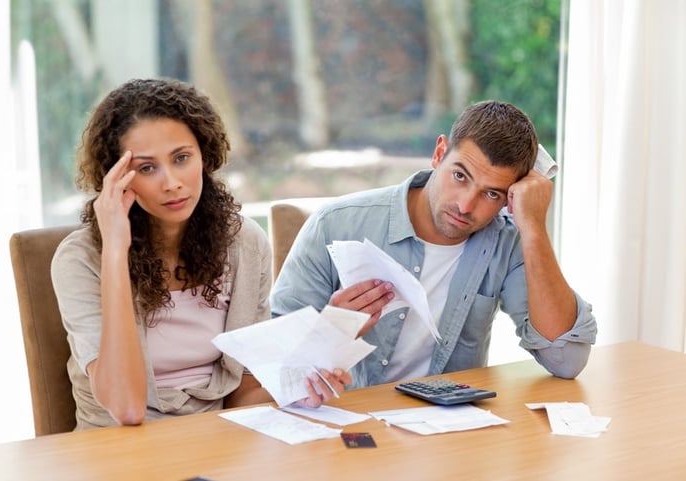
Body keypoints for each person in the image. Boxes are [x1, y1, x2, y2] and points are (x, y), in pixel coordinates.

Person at [51, 78, 350, 430]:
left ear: (204, 155)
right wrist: (116, 251)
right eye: (147, 168)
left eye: (181, 158)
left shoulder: (244, 244)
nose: (172, 182)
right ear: (117, 178)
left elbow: (242, 393)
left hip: (215, 441)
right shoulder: (80, 259)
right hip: (116, 450)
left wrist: (294, 391)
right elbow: (126, 409)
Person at [270, 100, 597, 389]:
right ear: (439, 153)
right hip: (346, 432)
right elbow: (271, 369)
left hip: (447, 437)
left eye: (492, 193)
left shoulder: (507, 241)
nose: (466, 205)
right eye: (460, 176)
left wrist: (535, 228)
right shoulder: (334, 224)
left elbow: (565, 361)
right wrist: (330, 333)